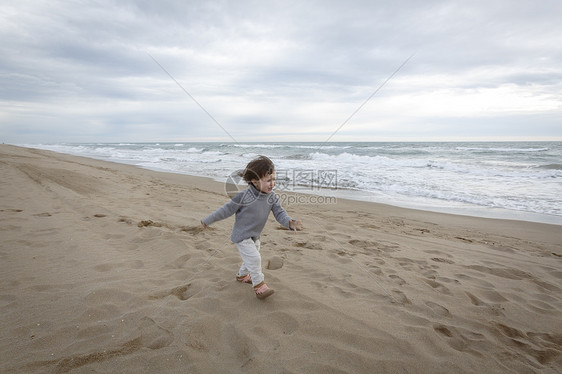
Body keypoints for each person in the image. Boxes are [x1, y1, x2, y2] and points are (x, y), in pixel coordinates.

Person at [201, 155, 303, 300]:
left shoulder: (272, 197)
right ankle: (259, 286)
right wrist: (208, 220)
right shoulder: (244, 196)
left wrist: (289, 223)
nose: (272, 184)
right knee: (255, 258)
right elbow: (226, 210)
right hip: (241, 235)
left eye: (274, 179)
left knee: (250, 258)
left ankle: (242, 275)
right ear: (255, 181)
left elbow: (280, 213)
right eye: (268, 180)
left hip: (255, 235)